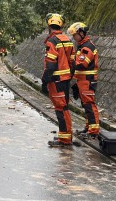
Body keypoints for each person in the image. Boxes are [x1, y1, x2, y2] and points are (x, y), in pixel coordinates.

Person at [41, 13, 74, 147]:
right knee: (64, 107)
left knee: (60, 108)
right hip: (65, 79)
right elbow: (72, 62)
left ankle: (65, 139)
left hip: (56, 79)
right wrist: (69, 76)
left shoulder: (52, 41)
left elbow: (50, 64)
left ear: (49, 25)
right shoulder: (67, 39)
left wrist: (45, 81)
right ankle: (65, 136)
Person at [68, 22, 100, 136]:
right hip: (83, 80)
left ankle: (93, 131)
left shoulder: (87, 47)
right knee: (86, 105)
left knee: (89, 104)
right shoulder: (82, 46)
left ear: (81, 33)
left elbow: (82, 65)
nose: (74, 38)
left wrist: (70, 62)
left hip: (87, 80)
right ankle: (88, 127)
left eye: (75, 35)